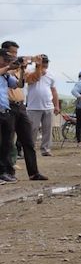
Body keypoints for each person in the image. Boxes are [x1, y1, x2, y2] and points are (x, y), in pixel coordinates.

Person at [0, 46, 47, 182]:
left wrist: (21, 69)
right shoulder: (6, 70)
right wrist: (11, 67)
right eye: (8, 57)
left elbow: (20, 84)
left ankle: (33, 172)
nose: (12, 59)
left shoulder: (8, 73)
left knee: (28, 140)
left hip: (18, 107)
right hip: (7, 107)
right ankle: (6, 172)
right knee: (6, 142)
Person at [25, 54, 60, 156]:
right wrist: (38, 70)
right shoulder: (31, 71)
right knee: (32, 129)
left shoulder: (51, 75)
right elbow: (28, 81)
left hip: (48, 106)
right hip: (33, 106)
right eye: (42, 62)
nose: (44, 64)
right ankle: (30, 149)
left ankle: (46, 149)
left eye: (46, 62)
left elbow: (54, 90)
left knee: (47, 130)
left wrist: (56, 105)